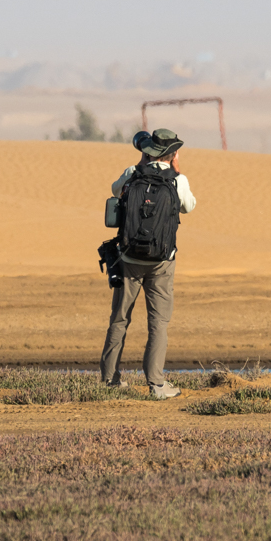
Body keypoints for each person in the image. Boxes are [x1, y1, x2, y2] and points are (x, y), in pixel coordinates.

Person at [100, 128, 196, 399]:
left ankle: (110, 380)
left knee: (119, 319)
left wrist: (140, 166)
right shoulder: (178, 180)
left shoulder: (132, 173)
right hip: (162, 262)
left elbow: (114, 190)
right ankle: (156, 384)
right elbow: (189, 206)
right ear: (173, 154)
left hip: (128, 258)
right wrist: (176, 171)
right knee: (158, 322)